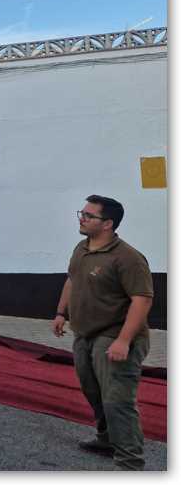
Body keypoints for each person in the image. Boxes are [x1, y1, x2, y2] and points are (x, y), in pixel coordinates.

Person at [52, 195, 154, 471]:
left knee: (117, 399)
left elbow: (142, 300)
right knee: (92, 391)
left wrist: (124, 340)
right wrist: (62, 313)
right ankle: (107, 439)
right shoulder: (81, 248)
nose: (82, 218)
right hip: (84, 333)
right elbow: (72, 279)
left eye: (89, 215)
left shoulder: (128, 257)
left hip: (114, 335)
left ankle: (130, 462)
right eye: (81, 213)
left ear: (107, 223)